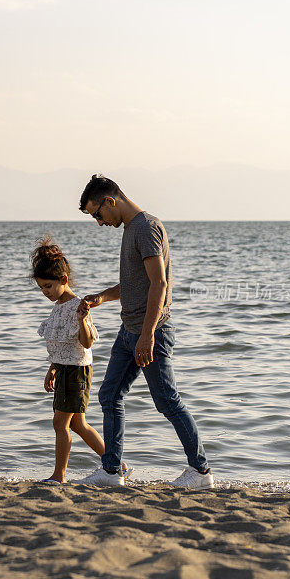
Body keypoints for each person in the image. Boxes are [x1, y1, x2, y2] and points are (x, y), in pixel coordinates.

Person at [76, 175, 213, 489]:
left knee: (167, 401)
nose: (98, 222)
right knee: (109, 395)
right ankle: (111, 472)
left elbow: (159, 284)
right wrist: (102, 297)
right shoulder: (130, 230)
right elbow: (135, 285)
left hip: (151, 332)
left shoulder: (146, 228)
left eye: (97, 214)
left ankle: (200, 472)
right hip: (129, 331)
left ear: (110, 200)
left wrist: (148, 335)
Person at [31, 235, 132, 484]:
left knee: (59, 424)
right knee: (78, 425)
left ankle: (59, 475)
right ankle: (119, 465)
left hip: (77, 372)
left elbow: (86, 343)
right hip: (65, 369)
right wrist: (52, 369)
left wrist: (81, 320)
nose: (45, 293)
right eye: (41, 288)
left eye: (48, 287)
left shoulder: (79, 306)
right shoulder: (58, 307)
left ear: (63, 280)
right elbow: (61, 345)